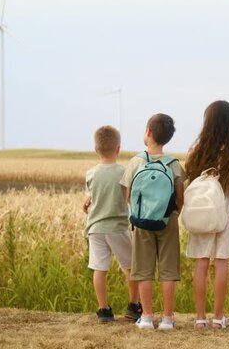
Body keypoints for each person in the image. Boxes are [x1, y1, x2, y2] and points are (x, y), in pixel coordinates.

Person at [184, 100, 229, 329]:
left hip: (202, 211)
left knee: (201, 262)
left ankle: (200, 318)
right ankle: (218, 318)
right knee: (222, 262)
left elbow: (188, 183)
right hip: (226, 211)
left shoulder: (198, 151)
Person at [119, 113, 184, 330]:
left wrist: (140, 211)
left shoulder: (136, 161)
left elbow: (127, 194)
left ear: (148, 132)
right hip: (168, 221)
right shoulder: (174, 164)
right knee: (168, 271)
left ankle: (146, 317)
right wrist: (172, 213)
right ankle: (167, 319)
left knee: (144, 270)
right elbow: (180, 196)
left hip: (141, 222)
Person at [82, 125, 141, 323]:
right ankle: (133, 306)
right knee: (131, 267)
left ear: (95, 149)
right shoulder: (123, 172)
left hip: (95, 229)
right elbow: (130, 198)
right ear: (118, 148)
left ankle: (104, 310)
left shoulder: (91, 173)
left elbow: (90, 196)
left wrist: (87, 202)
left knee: (99, 268)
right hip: (118, 227)